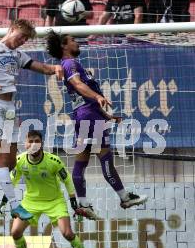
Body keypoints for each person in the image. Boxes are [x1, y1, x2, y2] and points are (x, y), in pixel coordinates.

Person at [45, 30, 147, 219]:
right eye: (73, 39)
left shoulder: (73, 64)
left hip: (88, 115)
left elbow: (84, 97)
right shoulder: (70, 63)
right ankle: (124, 197)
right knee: (105, 157)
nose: (77, 42)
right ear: (64, 46)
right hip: (88, 117)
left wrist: (106, 115)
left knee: (82, 160)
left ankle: (83, 204)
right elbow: (77, 85)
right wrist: (99, 96)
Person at [0, 19, 64, 223]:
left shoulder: (18, 55)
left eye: (26, 39)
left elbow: (41, 67)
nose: (22, 41)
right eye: (21, 36)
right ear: (12, 29)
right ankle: (15, 206)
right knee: (2, 161)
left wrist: (55, 67)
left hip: (9, 110)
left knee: (10, 163)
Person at [0, 130, 97, 248]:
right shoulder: (19, 161)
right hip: (30, 202)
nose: (33, 144)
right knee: (15, 232)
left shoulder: (53, 161)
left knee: (67, 233)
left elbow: (67, 179)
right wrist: (3, 202)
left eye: (36, 141)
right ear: (25, 144)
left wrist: (73, 199)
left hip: (55, 201)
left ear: (42, 144)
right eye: (30, 141)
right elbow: (11, 182)